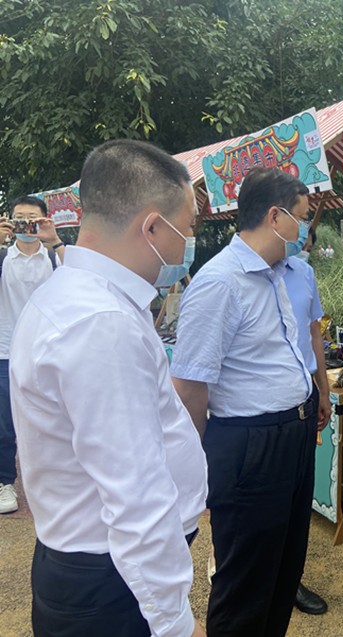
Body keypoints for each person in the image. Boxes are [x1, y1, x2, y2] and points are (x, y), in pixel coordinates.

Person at [10, 140, 207, 637]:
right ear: (152, 228)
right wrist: (174, 623)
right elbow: (136, 495)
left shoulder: (79, 298)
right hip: (111, 585)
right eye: (188, 228)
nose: (189, 242)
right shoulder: (100, 322)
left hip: (100, 572)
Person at [171, 167, 316, 637]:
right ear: (275, 217)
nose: (306, 228)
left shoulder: (277, 275)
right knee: (246, 582)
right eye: (302, 218)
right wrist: (197, 463)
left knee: (283, 569)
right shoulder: (220, 282)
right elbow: (190, 385)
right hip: (251, 445)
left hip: (292, 434)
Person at [0, 196, 66, 514]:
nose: (25, 224)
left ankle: (52, 483)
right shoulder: (3, 257)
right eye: (19, 218)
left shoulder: (53, 258)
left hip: (46, 351)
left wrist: (56, 242)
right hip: (5, 351)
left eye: (32, 218)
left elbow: (83, 276)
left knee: (50, 419)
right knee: (4, 423)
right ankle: (4, 482)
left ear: (44, 220)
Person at [286, 228, 330, 615]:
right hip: (258, 414)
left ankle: (291, 581)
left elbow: (315, 332)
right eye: (298, 220)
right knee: (260, 507)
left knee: (299, 500)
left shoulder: (303, 274)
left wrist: (324, 391)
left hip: (305, 397)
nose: (304, 244)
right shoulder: (226, 276)